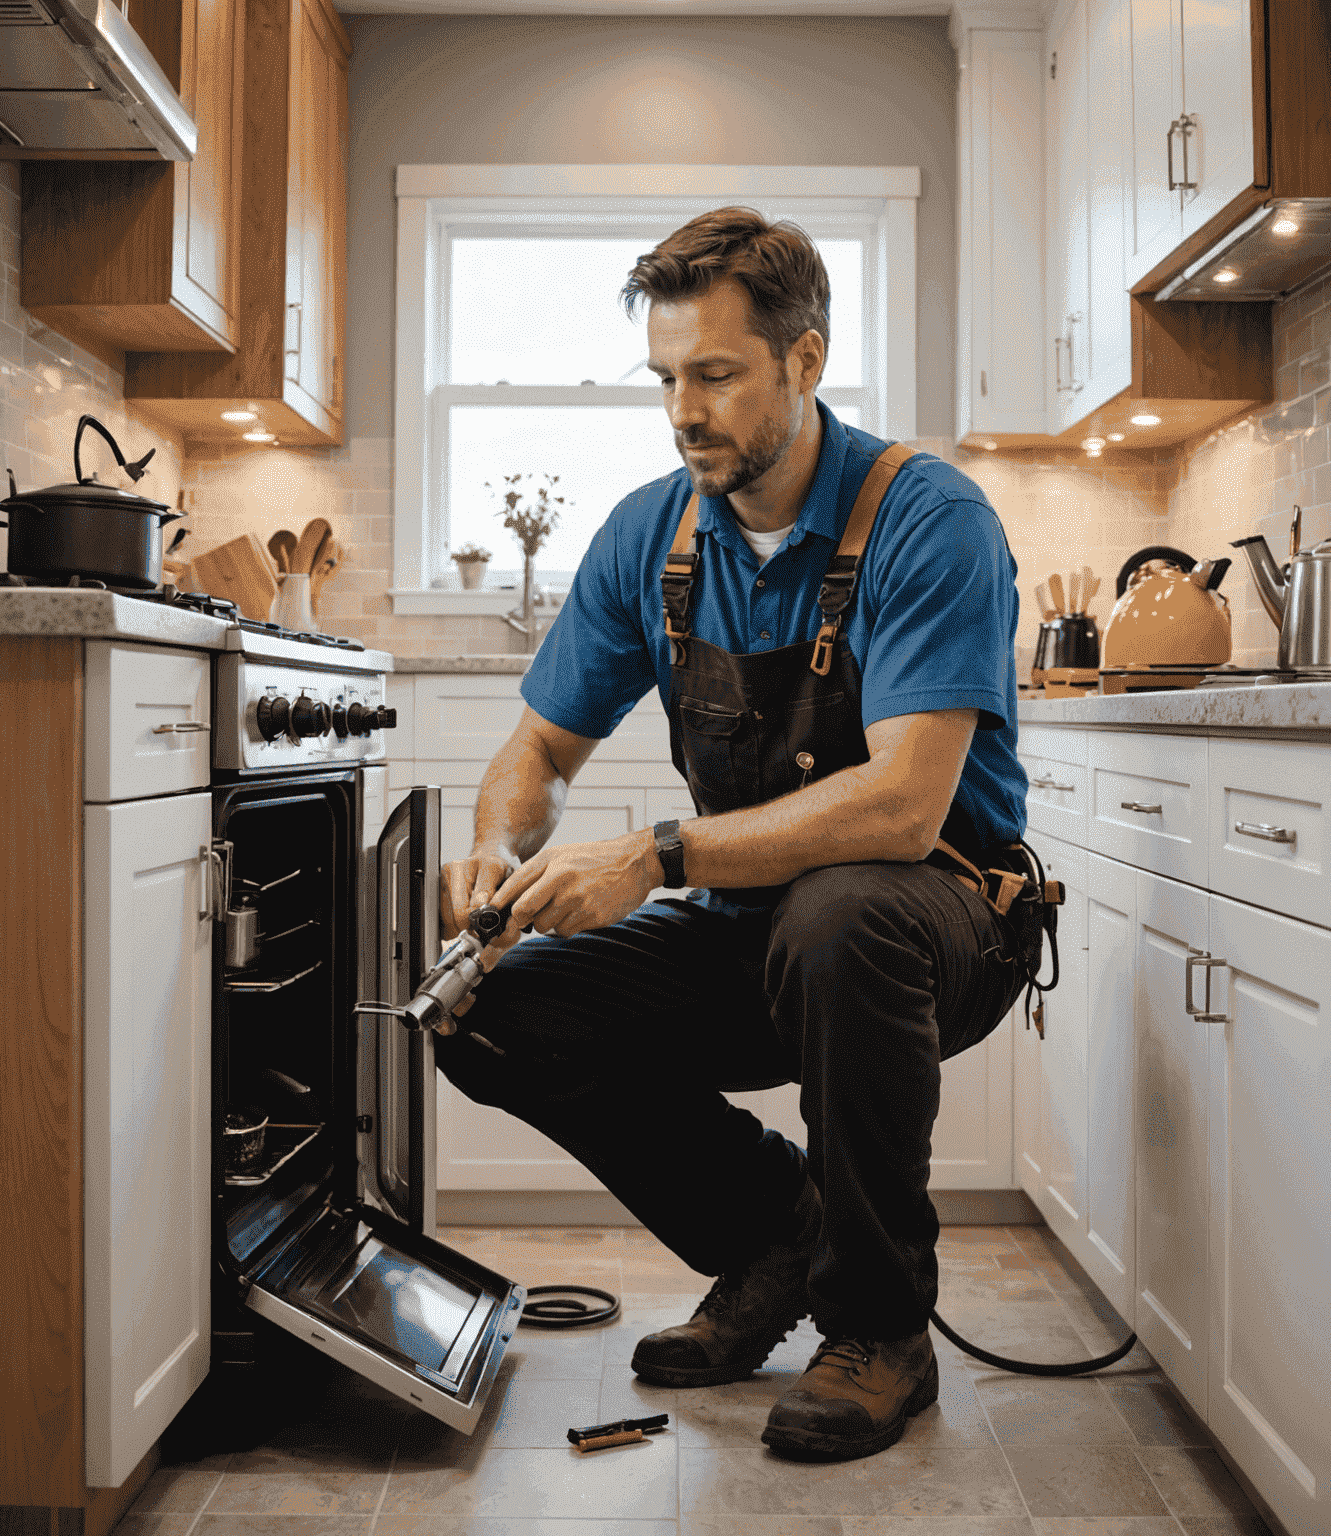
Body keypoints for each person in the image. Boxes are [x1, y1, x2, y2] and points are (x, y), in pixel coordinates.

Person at [432, 207, 1035, 1462]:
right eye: (665, 378)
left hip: (936, 925)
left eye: (716, 375)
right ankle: (781, 1243)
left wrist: (651, 857)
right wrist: (498, 843)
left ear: (804, 363)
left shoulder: (928, 518)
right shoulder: (652, 536)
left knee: (845, 910)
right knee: (489, 1010)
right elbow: (540, 748)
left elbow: (903, 804)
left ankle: (880, 1326)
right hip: (751, 928)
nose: (683, 410)